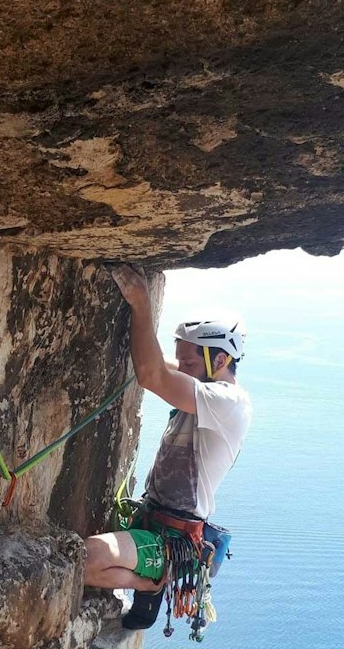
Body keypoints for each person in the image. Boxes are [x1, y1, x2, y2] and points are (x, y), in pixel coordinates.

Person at [84, 265, 252, 630]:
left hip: (174, 539)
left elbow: (152, 375)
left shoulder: (227, 402)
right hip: (153, 520)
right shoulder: (206, 388)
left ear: (220, 361)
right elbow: (160, 365)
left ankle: (151, 583)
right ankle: (145, 589)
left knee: (86, 558)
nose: (184, 367)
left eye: (191, 361)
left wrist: (141, 305)